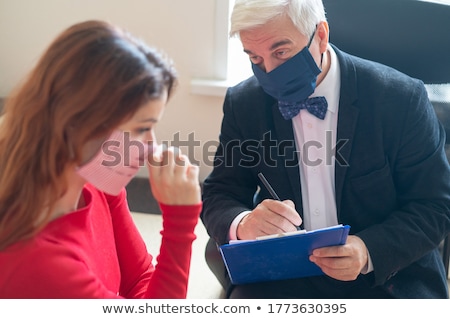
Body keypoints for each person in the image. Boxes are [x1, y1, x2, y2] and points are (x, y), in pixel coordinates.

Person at [201, 0, 450, 298]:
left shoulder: (400, 98)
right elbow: (219, 193)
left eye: (281, 52)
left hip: (386, 271)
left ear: (320, 35)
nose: (269, 71)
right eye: (255, 58)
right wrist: (243, 223)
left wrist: (367, 250)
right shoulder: (245, 104)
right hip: (281, 273)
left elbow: (435, 205)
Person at [0, 20, 202, 298]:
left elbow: (139, 282)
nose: (151, 146)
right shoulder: (41, 263)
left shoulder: (98, 182)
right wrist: (180, 220)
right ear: (82, 126)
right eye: (142, 128)